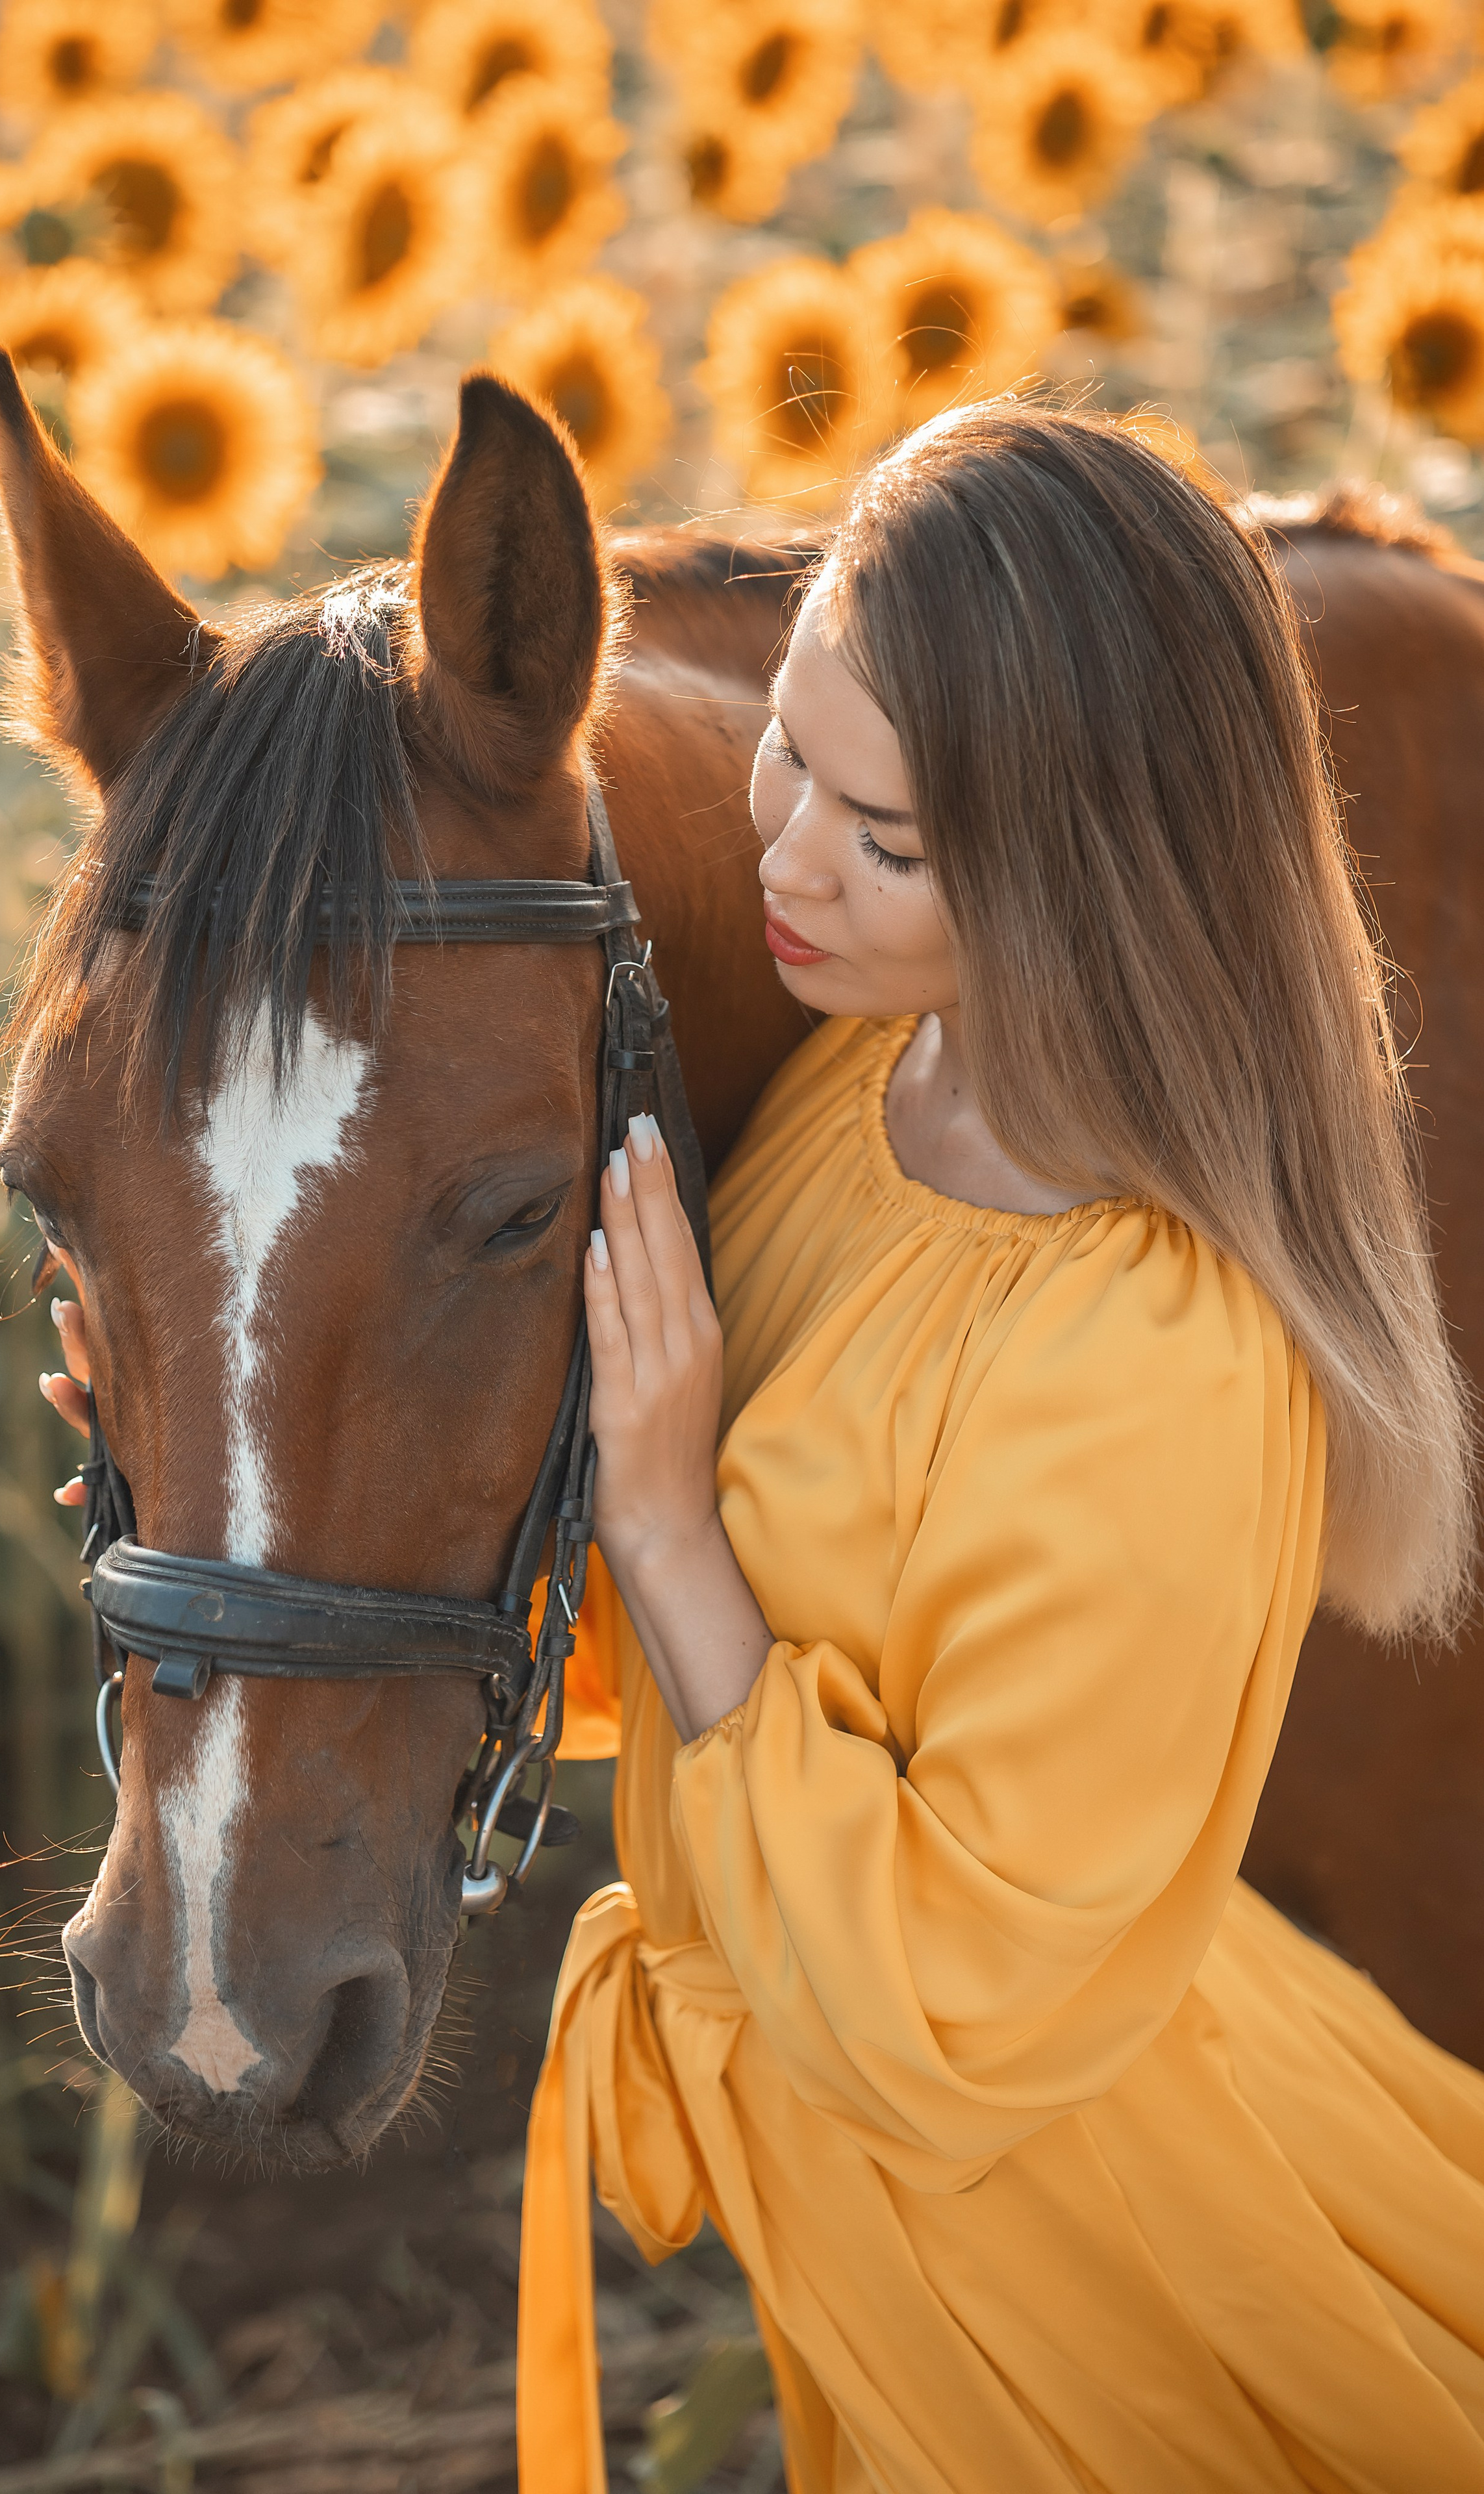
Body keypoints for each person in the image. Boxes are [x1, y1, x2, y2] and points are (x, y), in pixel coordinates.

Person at [517, 404, 1484, 2493]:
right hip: (861, 2232)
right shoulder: (867, 1095)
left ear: (1090, 869)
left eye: (889, 840)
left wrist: (676, 1534)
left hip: (1073, 2269)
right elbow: (734, 1668)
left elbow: (956, 2019)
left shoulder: (1159, 1341)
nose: (786, 858)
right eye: (795, 750)